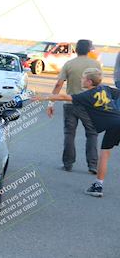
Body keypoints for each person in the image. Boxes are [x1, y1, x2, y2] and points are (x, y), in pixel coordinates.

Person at [33, 68, 120, 197]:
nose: (81, 80)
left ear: (89, 81)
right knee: (105, 153)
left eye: (83, 78)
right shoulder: (105, 89)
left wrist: (43, 97)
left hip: (114, 126)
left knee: (105, 154)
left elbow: (63, 96)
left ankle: (98, 186)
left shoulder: (86, 96)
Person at [47, 39, 101, 173]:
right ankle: (93, 165)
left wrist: (51, 102)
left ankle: (68, 164)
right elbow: (98, 87)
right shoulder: (96, 64)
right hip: (89, 106)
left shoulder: (69, 64)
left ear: (76, 50)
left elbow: (59, 84)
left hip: (70, 103)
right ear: (89, 50)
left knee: (69, 134)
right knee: (92, 134)